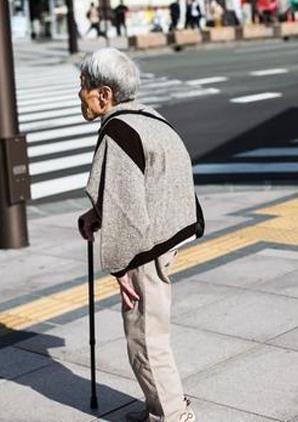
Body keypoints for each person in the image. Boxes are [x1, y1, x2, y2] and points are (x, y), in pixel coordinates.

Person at [76, 48, 204, 422]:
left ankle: (171, 416)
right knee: (152, 333)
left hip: (145, 249)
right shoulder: (150, 118)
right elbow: (141, 186)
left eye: (84, 86)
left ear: (105, 95)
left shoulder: (118, 131)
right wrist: (97, 214)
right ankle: (162, 408)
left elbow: (127, 209)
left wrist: (120, 267)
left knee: (145, 340)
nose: (79, 94)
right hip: (168, 235)